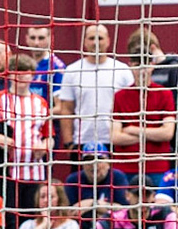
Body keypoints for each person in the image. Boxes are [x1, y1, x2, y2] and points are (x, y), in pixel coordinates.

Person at [0, 52, 52, 223]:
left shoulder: (41, 103)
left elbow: (49, 137)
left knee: (32, 219)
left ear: (32, 75)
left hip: (34, 174)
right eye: (16, 71)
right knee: (7, 220)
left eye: (25, 72)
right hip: (4, 174)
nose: (20, 76)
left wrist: (44, 147)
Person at [54, 22, 134, 153]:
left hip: (116, 141)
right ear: (85, 42)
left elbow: (132, 107)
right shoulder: (73, 71)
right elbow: (66, 110)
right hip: (82, 141)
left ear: (108, 41)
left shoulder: (122, 70)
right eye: (91, 38)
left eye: (100, 38)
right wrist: (69, 143)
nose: (96, 43)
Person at [110, 28, 178, 181]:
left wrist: (132, 129)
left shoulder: (165, 94)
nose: (142, 70)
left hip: (157, 167)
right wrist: (152, 134)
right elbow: (115, 137)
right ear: (130, 66)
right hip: (125, 167)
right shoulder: (120, 96)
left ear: (152, 65)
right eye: (137, 65)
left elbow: (168, 133)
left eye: (145, 65)